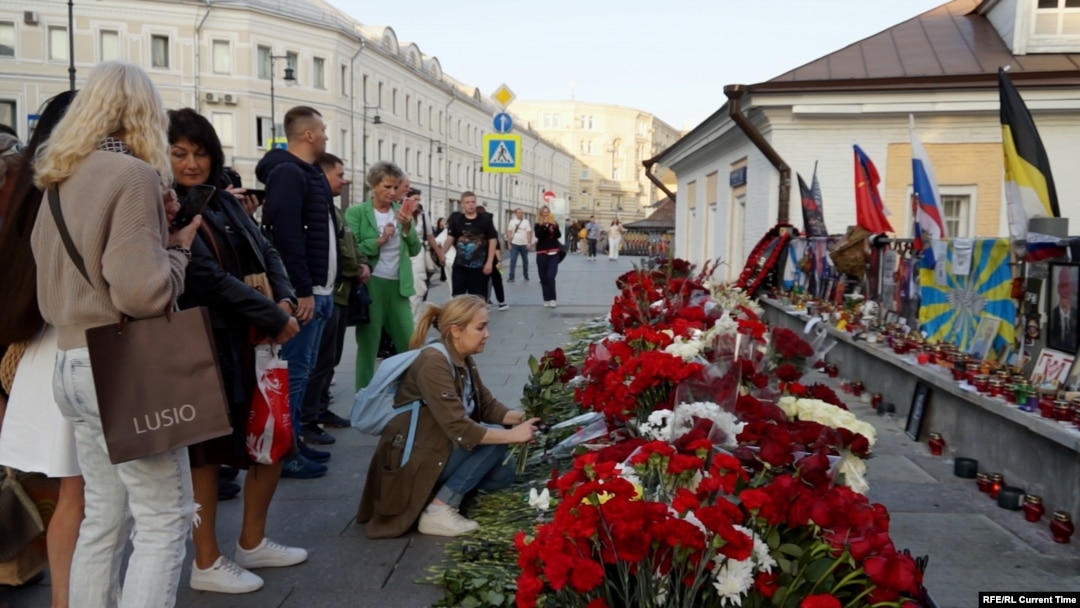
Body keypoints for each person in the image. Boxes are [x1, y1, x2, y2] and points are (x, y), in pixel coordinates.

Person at [31, 61, 200, 608]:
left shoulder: (59, 178)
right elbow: (141, 295)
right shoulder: (132, 176)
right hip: (120, 367)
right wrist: (178, 250)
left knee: (103, 517)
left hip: (71, 359)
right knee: (163, 521)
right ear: (143, 115)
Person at [167, 108, 307, 594]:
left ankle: (252, 541)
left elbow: (267, 250)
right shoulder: (168, 206)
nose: (191, 163)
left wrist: (284, 296)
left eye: (200, 153)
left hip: (252, 339)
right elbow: (204, 278)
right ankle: (206, 561)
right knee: (206, 455)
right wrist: (274, 315)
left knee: (271, 440)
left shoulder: (222, 201)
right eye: (180, 152)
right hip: (205, 341)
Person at [357, 295, 538, 538]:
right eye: (481, 327)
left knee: (504, 472)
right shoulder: (433, 363)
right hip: (413, 459)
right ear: (456, 330)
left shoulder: (461, 356)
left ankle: (437, 493)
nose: (487, 334)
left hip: (434, 447)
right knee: (496, 445)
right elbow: (460, 428)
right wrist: (513, 435)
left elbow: (486, 405)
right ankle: (438, 510)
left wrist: (523, 417)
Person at [0, 90, 84, 608]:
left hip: (39, 354)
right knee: (83, 496)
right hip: (74, 350)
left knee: (72, 493)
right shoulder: (70, 190)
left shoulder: (33, 191)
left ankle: (69, 599)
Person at [256, 105, 339, 479]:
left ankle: (296, 441)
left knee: (303, 371)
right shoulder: (289, 173)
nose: (324, 136)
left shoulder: (307, 175)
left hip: (320, 289)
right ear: (308, 135)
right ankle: (285, 451)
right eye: (321, 131)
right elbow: (288, 236)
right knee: (295, 371)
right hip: (308, 292)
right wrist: (302, 290)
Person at [301, 153, 370, 441]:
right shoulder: (316, 208)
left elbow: (350, 242)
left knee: (330, 358)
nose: (345, 181)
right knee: (317, 361)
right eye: (339, 175)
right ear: (322, 175)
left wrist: (364, 263)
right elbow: (336, 251)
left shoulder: (335, 210)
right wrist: (356, 269)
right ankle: (308, 420)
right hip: (329, 291)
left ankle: (319, 409)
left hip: (340, 294)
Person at [345, 161, 420, 390]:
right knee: (368, 345)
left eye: (395, 187)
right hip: (372, 284)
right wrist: (379, 241)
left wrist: (407, 229)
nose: (392, 192)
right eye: (387, 186)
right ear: (374, 185)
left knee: (410, 343)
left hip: (398, 285)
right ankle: (363, 396)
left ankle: (412, 392)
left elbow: (415, 249)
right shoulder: (357, 212)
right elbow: (352, 246)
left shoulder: (402, 213)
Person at [441, 191, 497, 298]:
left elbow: (492, 240)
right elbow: (450, 238)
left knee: (477, 298)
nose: (471, 205)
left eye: (473, 202)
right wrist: (442, 253)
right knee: (458, 296)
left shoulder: (485, 220)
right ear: (462, 204)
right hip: (460, 265)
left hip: (478, 266)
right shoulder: (457, 220)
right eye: (467, 202)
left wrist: (489, 262)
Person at [476, 205, 508, 311]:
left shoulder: (477, 228)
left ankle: (485, 303)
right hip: (493, 258)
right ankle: (502, 303)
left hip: (480, 258)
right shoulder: (490, 227)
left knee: (482, 282)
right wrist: (499, 261)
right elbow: (496, 246)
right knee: (497, 281)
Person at [535, 206, 562, 308]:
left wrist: (554, 226)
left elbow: (558, 235)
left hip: (553, 253)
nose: (546, 215)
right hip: (541, 253)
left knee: (551, 276)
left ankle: (553, 299)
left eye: (547, 213)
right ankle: (546, 298)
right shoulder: (538, 224)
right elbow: (538, 235)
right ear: (541, 214)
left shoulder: (554, 224)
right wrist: (544, 226)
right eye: (544, 213)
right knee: (543, 277)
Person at [1049, 266, 1079, 354]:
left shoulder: (1077, 315)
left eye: (1067, 285)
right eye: (1062, 286)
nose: (1065, 291)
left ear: (1071, 288)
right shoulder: (1052, 316)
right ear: (1058, 289)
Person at [505, 208, 532, 282]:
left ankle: (526, 275)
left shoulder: (526, 222)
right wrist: (508, 243)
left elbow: (529, 232)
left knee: (525, 260)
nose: (520, 214)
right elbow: (509, 232)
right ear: (515, 213)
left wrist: (529, 243)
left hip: (524, 244)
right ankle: (511, 276)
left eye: (521, 213)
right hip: (514, 244)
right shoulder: (512, 222)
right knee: (513, 260)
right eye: (519, 213)